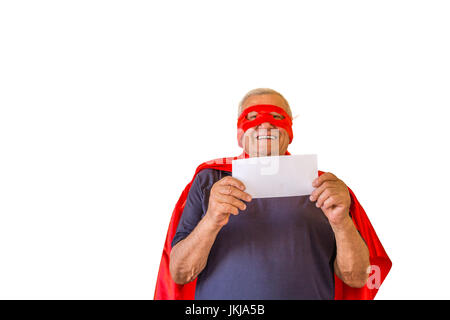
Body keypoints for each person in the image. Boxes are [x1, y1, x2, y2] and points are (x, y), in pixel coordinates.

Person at [154, 88, 391, 300]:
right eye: (253, 117)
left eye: (277, 117)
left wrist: (341, 221)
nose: (265, 124)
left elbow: (358, 278)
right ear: (239, 134)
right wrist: (211, 220)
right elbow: (180, 273)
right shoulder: (208, 179)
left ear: (290, 132)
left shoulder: (325, 187)